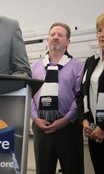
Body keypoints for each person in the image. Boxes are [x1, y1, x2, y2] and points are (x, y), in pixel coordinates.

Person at [30, 22, 84, 174]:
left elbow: (79, 97)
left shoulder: (79, 66)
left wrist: (66, 119)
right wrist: (36, 118)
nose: (55, 37)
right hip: (42, 127)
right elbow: (29, 95)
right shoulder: (34, 67)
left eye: (60, 35)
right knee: (43, 170)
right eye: (52, 35)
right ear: (47, 40)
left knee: (73, 169)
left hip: (68, 128)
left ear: (67, 42)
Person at [77, 13, 104, 174]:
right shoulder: (91, 61)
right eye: (99, 30)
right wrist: (84, 121)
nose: (102, 35)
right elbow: (81, 94)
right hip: (94, 133)